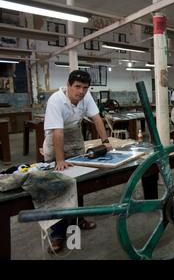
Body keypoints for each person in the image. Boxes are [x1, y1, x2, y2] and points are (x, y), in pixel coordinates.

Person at [43, 69, 113, 253]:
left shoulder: (86, 97)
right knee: (58, 187)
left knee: (79, 181)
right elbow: (58, 132)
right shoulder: (56, 101)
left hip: (74, 136)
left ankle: (78, 219)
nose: (81, 92)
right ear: (68, 86)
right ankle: (57, 234)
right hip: (55, 139)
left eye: (85, 88)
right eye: (77, 87)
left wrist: (105, 142)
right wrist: (60, 160)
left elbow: (96, 118)